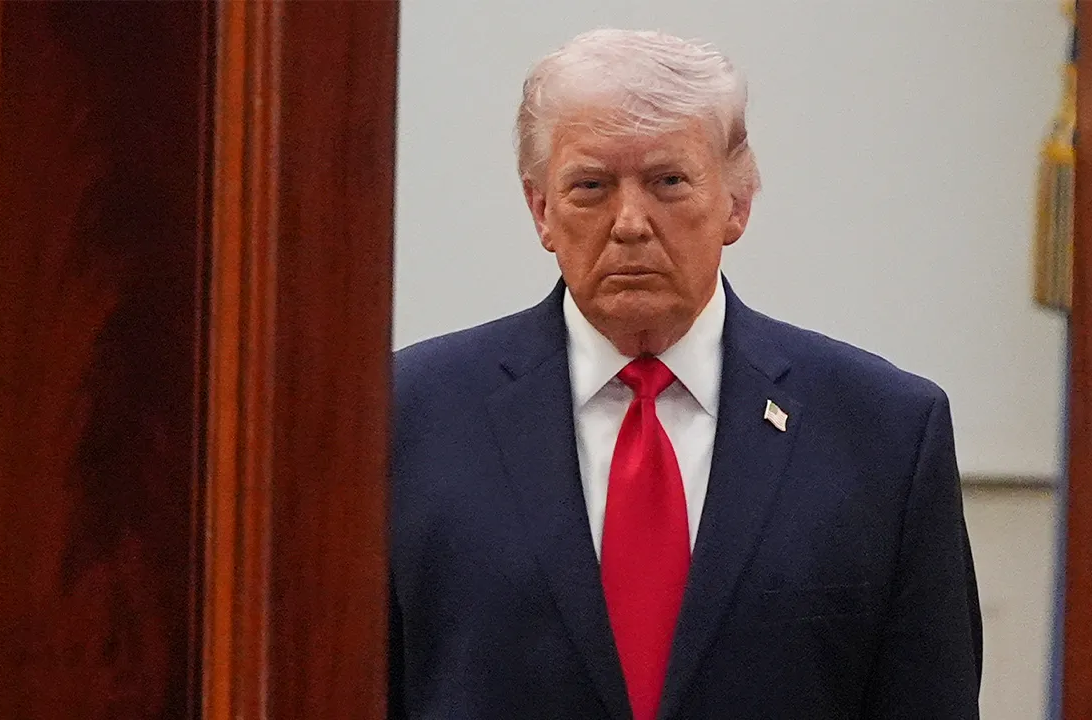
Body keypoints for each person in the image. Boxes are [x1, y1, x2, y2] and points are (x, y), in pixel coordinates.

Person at [389, 28, 982, 720]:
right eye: (592, 186)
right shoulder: (411, 417)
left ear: (737, 203)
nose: (631, 223)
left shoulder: (883, 433)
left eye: (669, 182)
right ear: (542, 210)